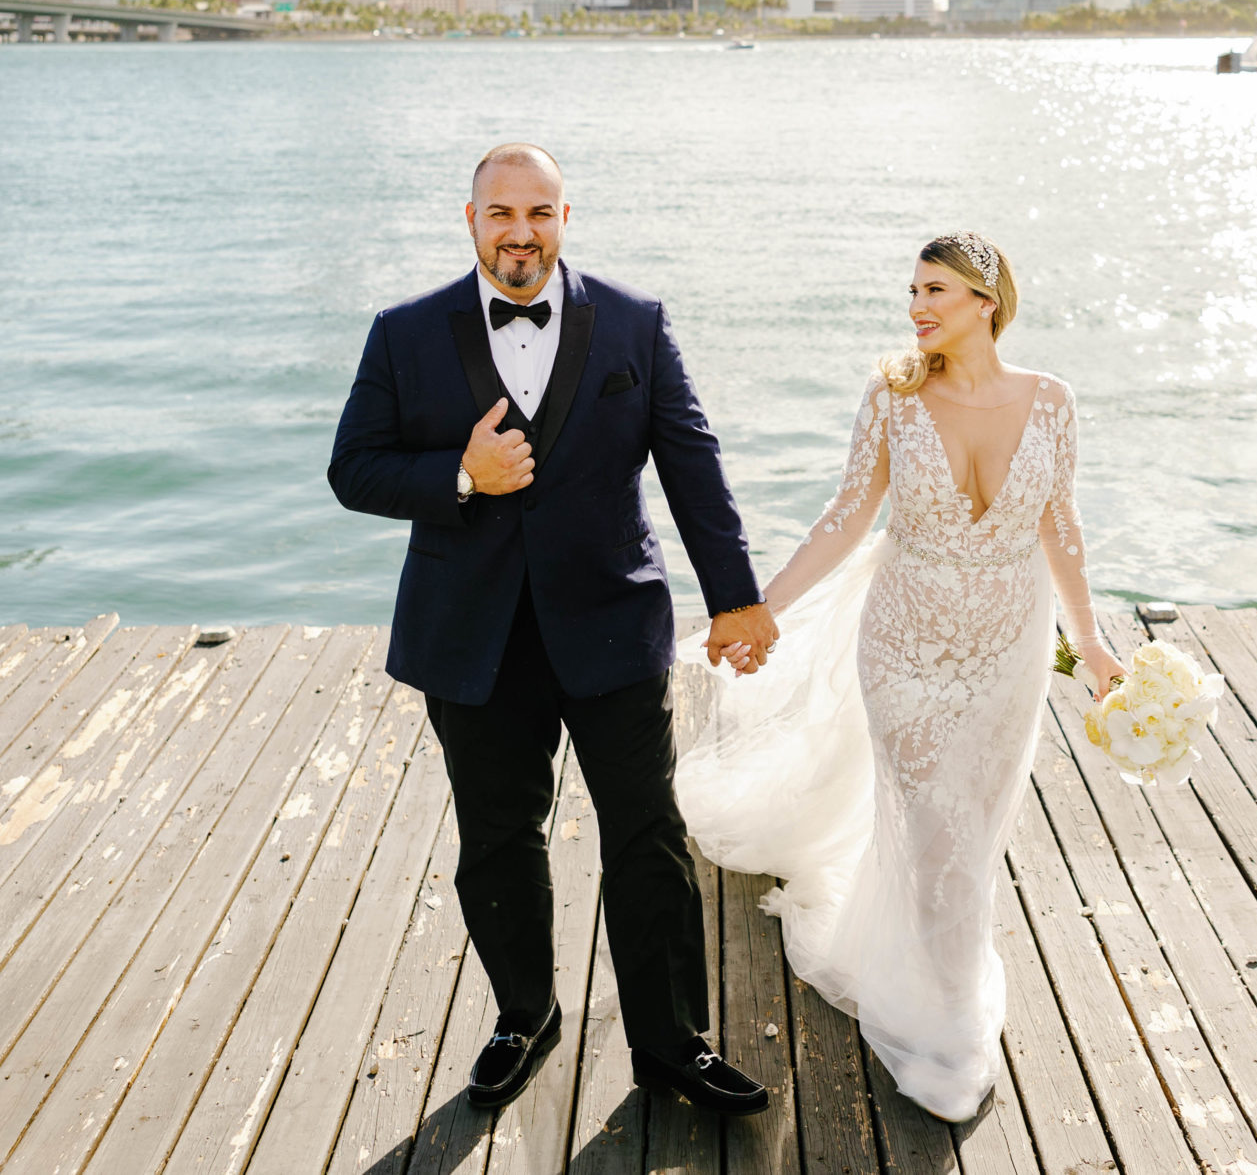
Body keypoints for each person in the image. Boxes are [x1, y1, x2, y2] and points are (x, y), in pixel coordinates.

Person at [327, 143, 782, 1116]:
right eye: (502, 213)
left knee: (648, 834)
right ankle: (522, 1017)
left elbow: (691, 466)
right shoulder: (404, 334)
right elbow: (353, 469)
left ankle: (670, 1043)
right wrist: (458, 473)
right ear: (471, 220)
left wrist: (737, 597)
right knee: (497, 838)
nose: (520, 231)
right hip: (469, 636)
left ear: (565, 217)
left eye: (539, 212)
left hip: (611, 624)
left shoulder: (633, 322)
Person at [674, 231, 1125, 1122]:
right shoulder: (892, 395)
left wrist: (1094, 641)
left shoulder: (1052, 402)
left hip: (1010, 647)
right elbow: (848, 515)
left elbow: (1060, 526)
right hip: (906, 645)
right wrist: (762, 606)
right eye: (913, 289)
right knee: (931, 828)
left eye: (937, 290)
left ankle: (938, 984)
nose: (917, 306)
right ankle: (951, 1027)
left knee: (977, 830)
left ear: (987, 301)